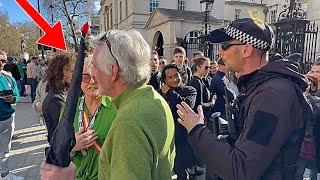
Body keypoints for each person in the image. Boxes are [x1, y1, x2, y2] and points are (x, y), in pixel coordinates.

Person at [176, 18, 311, 179]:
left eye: (225, 45)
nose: (220, 52)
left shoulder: (272, 95)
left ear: (246, 50)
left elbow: (242, 169)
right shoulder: (259, 85)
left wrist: (197, 130)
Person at [41, 30, 175, 179]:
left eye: (95, 67)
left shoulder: (127, 124)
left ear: (113, 71)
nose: (93, 76)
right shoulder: (153, 98)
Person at [62, 56, 116, 180]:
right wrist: (71, 145)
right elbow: (57, 147)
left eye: (96, 76)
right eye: (85, 77)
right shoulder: (69, 109)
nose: (91, 81)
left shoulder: (116, 107)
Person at [158, 64, 198, 179]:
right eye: (169, 77)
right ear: (165, 80)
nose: (174, 79)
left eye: (176, 75)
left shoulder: (190, 90)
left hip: (185, 138)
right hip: (168, 138)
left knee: (188, 169)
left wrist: (170, 92)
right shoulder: (160, 94)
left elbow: (186, 106)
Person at [42, 53, 75, 144]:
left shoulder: (63, 92)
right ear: (62, 73)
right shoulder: (55, 100)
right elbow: (62, 131)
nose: (77, 75)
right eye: (72, 71)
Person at [0, 51, 23, 180]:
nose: (1, 64)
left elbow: (17, 95)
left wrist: (13, 99)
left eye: (3, 61)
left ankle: (5, 175)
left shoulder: (8, 77)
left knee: (4, 149)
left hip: (6, 119)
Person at [295, 74, 320, 180]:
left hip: (310, 141)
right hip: (299, 142)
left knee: (311, 172)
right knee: (299, 172)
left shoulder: (316, 102)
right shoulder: (294, 98)